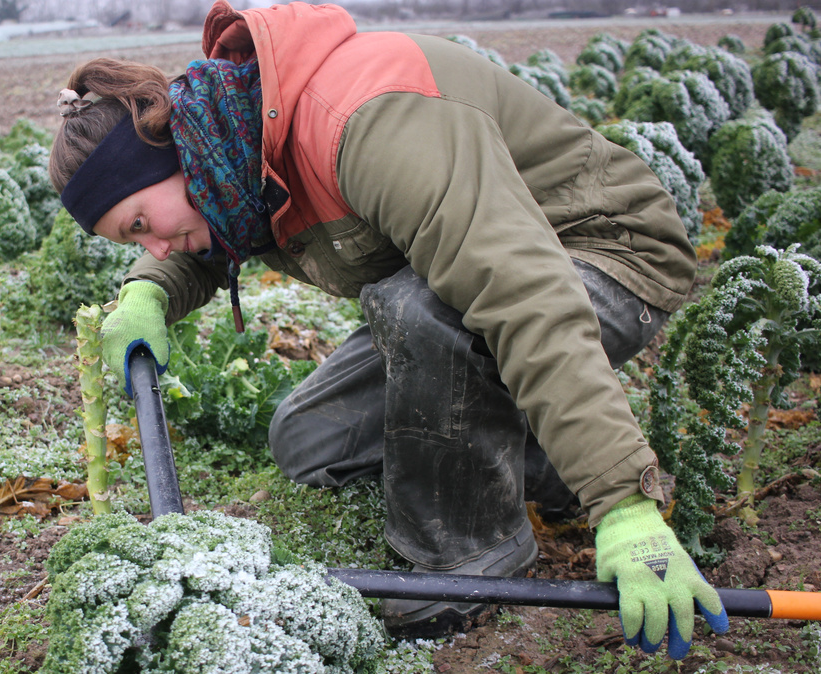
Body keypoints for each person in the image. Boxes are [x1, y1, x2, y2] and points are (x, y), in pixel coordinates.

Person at [48, 0, 729, 657]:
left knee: (416, 313)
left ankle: (471, 561)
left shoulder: (362, 122)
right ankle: (549, 456)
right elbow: (198, 234)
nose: (154, 245)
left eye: (139, 225)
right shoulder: (232, 152)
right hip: (462, 280)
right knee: (311, 440)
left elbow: (525, 296)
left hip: (601, 255)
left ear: (178, 156)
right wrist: (147, 290)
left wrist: (620, 505)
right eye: (129, 241)